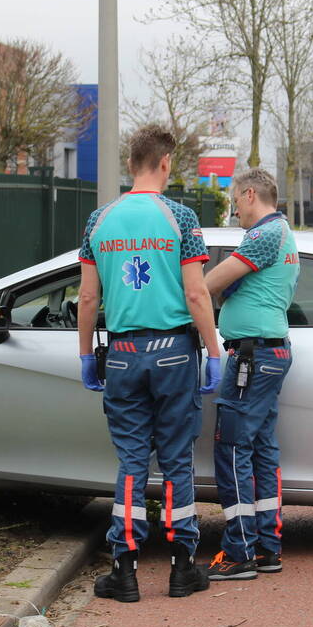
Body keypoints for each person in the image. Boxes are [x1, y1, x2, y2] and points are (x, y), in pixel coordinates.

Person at [76, 124, 223, 602]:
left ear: (130, 163)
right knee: (178, 460)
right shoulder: (179, 217)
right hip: (174, 352)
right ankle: (183, 568)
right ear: (164, 163)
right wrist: (215, 352)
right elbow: (197, 292)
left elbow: (87, 296)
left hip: (121, 355)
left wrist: (84, 355)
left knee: (131, 464)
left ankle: (125, 571)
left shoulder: (99, 220)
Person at [202, 168, 299, 580]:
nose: (234, 209)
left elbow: (209, 283)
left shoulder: (264, 236)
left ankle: (239, 551)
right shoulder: (283, 235)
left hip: (252, 358)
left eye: (235, 201)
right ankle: (266, 547)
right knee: (260, 449)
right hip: (264, 353)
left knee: (233, 448)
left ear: (249, 194)